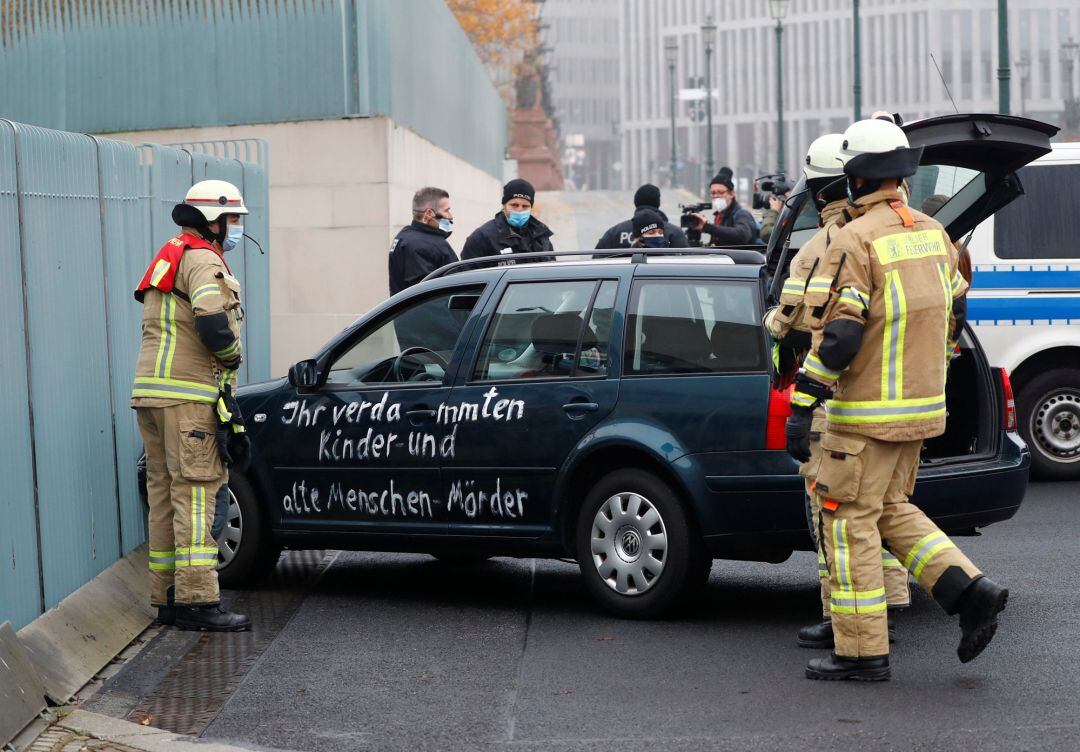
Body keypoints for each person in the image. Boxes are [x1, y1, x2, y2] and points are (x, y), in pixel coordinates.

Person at [785, 119, 1008, 681]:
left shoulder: (854, 239)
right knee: (888, 511)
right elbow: (954, 313)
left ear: (854, 177)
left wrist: (803, 402)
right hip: (921, 410)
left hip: (863, 415)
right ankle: (970, 592)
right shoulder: (933, 233)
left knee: (845, 521)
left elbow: (839, 336)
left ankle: (862, 654)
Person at [763, 133, 911, 652]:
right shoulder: (901, 233)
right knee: (886, 511)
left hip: (836, 402)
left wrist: (772, 325)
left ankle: (842, 619)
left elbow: (798, 321)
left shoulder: (824, 247)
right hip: (900, 402)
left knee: (834, 518)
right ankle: (889, 604)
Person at [132, 180, 252, 633]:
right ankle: (199, 602)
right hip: (188, 397)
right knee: (198, 495)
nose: (236, 228)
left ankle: (166, 599)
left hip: (152, 395)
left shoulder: (171, 253)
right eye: (233, 219)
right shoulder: (203, 259)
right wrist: (230, 357)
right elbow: (213, 321)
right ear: (213, 221)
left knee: (163, 496)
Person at [462, 178, 554, 263]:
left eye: (525, 206)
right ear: (504, 205)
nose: (519, 210)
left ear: (531, 208)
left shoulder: (540, 236)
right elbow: (468, 275)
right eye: (514, 205)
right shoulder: (482, 238)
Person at [388, 187, 458, 295]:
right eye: (446, 210)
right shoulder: (421, 245)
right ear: (429, 213)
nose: (450, 216)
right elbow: (426, 295)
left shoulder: (406, 237)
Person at [594, 183, 688, 249]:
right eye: (651, 233)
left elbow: (598, 263)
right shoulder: (674, 233)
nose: (657, 235)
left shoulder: (614, 232)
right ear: (658, 203)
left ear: (636, 202)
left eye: (659, 232)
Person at [685, 167, 760, 247]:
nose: (716, 196)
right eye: (713, 193)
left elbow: (742, 235)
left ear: (731, 194)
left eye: (720, 192)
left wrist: (707, 227)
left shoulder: (742, 214)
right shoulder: (719, 215)